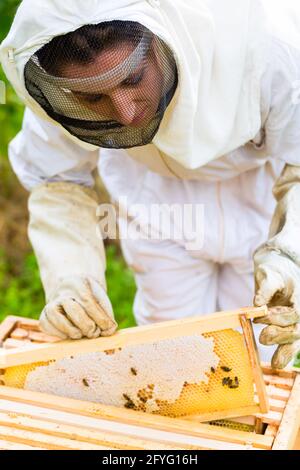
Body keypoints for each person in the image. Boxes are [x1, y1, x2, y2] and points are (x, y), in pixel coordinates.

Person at [1, 0, 300, 368]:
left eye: (133, 79)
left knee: (264, 343)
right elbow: (57, 178)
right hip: (154, 202)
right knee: (172, 354)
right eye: (94, 97)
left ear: (161, 42)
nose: (126, 113)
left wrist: (291, 255)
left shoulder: (273, 48)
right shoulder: (60, 84)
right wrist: (70, 276)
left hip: (261, 196)